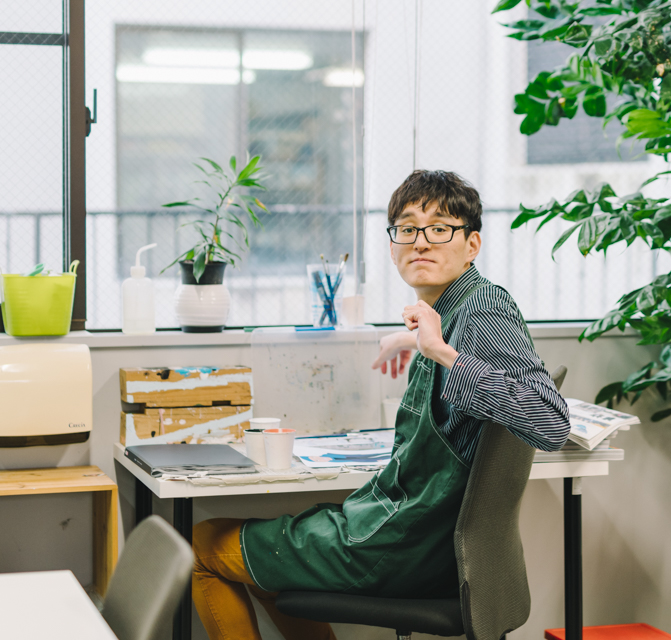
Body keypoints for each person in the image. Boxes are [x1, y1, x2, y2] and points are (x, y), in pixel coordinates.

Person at [192, 169, 571, 640]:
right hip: (419, 535)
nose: (420, 242)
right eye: (407, 229)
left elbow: (551, 422)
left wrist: (441, 352)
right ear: (392, 245)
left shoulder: (482, 309)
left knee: (204, 547)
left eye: (440, 229)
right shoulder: (454, 308)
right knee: (266, 566)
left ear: (472, 245)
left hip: (407, 543)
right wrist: (418, 340)